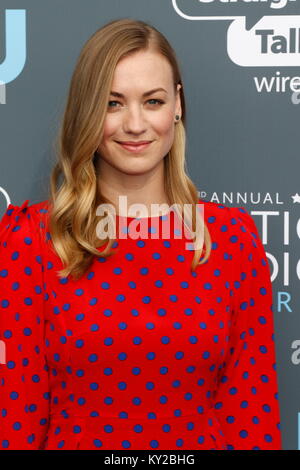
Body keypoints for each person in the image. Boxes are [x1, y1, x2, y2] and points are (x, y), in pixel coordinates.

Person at [0, 18, 282, 450]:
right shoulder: (33, 239)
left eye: (152, 101)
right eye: (113, 104)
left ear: (177, 105)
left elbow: (251, 412)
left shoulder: (231, 239)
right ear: (88, 111)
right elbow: (15, 415)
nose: (135, 125)